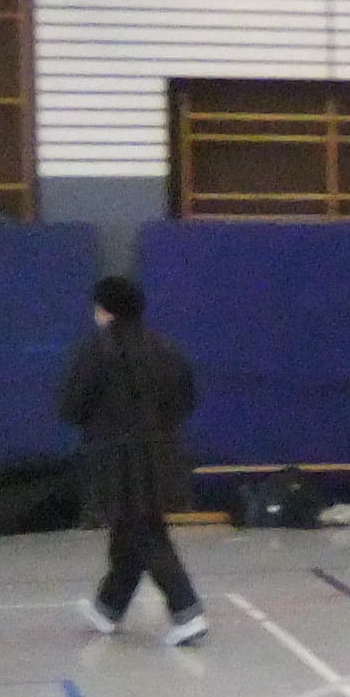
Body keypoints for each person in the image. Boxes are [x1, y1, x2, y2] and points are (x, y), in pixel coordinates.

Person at [59, 275, 207, 646]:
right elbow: (186, 398)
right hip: (164, 453)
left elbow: (71, 405)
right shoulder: (166, 348)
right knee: (131, 529)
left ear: (105, 309)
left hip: (116, 458)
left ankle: (186, 610)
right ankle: (108, 607)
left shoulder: (97, 350)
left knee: (144, 532)